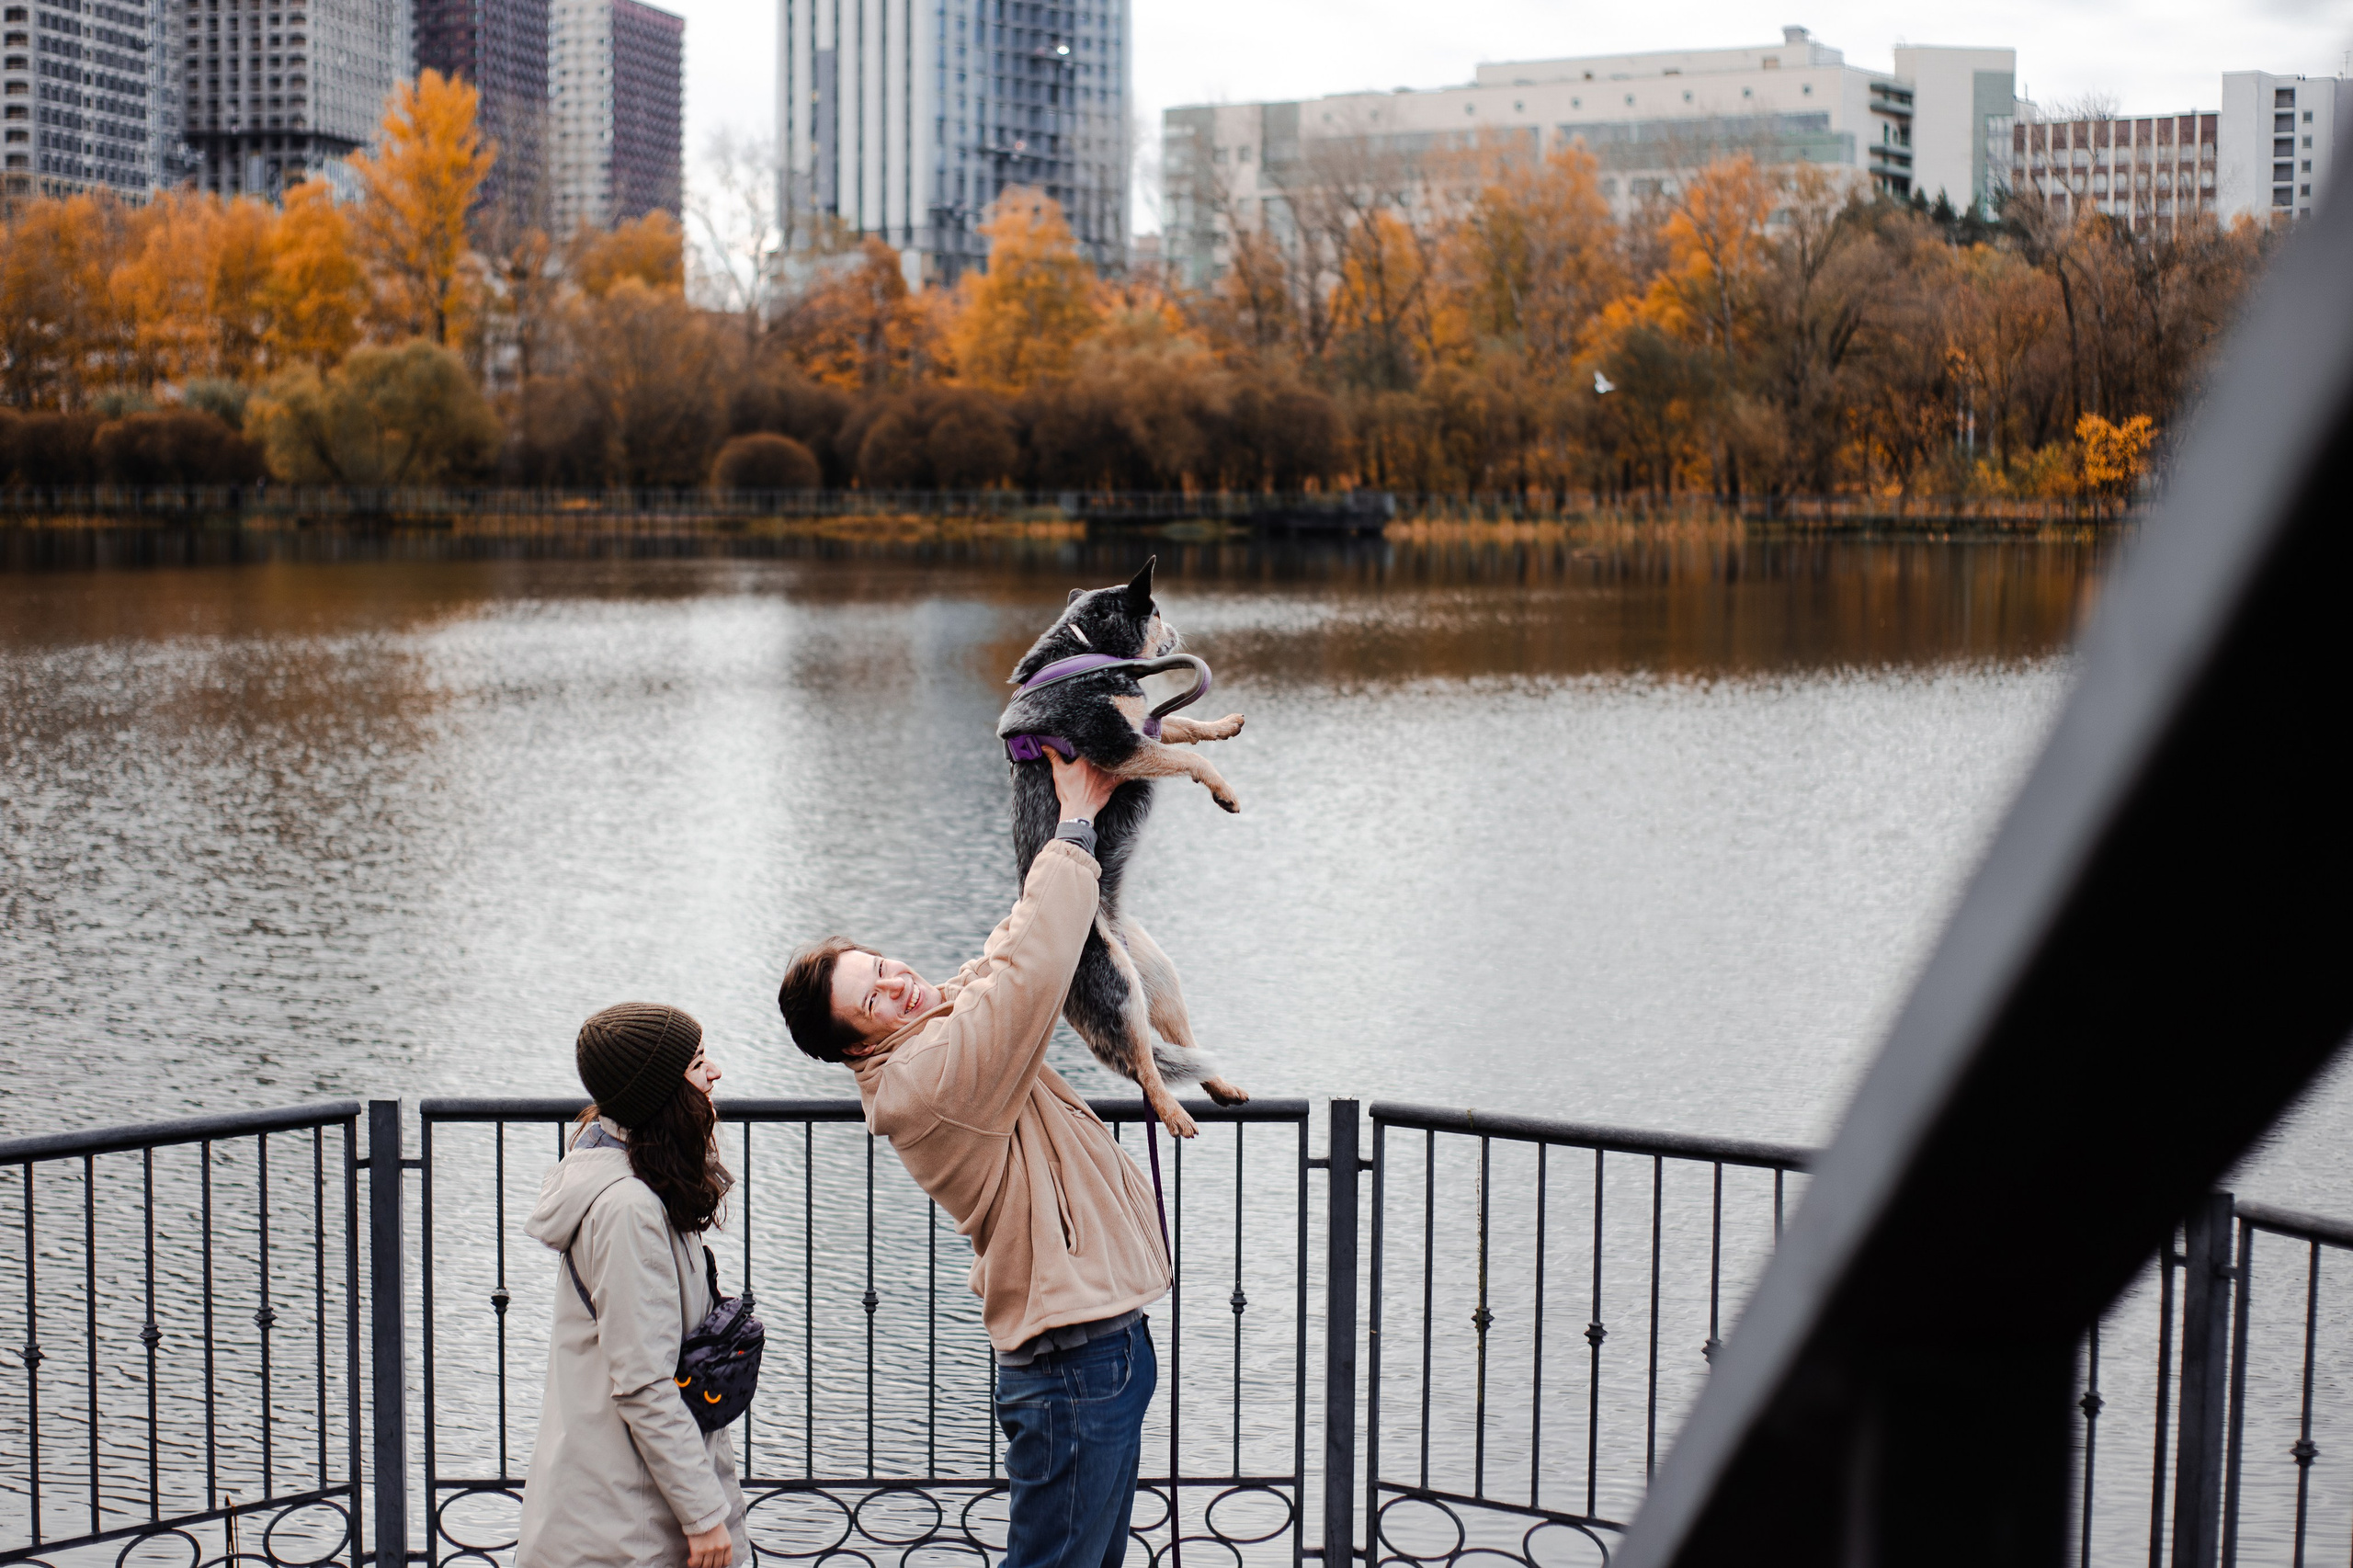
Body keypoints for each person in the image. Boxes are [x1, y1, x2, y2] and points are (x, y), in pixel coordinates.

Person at [776, 751, 1169, 1568]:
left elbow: (1000, 958)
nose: (897, 985)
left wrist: (1063, 830)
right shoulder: (929, 1077)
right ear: (855, 1044)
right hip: (1074, 1364)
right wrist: (1072, 826)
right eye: (872, 998)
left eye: (883, 966)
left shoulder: (935, 1031)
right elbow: (1025, 975)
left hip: (1094, 1349)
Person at [518, 1003, 748, 1568]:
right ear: (661, 1094)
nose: (714, 1071)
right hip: (627, 1526)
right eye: (698, 1064)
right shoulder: (627, 1209)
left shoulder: (639, 1177)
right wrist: (703, 1517)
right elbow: (644, 1381)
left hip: (623, 1503)